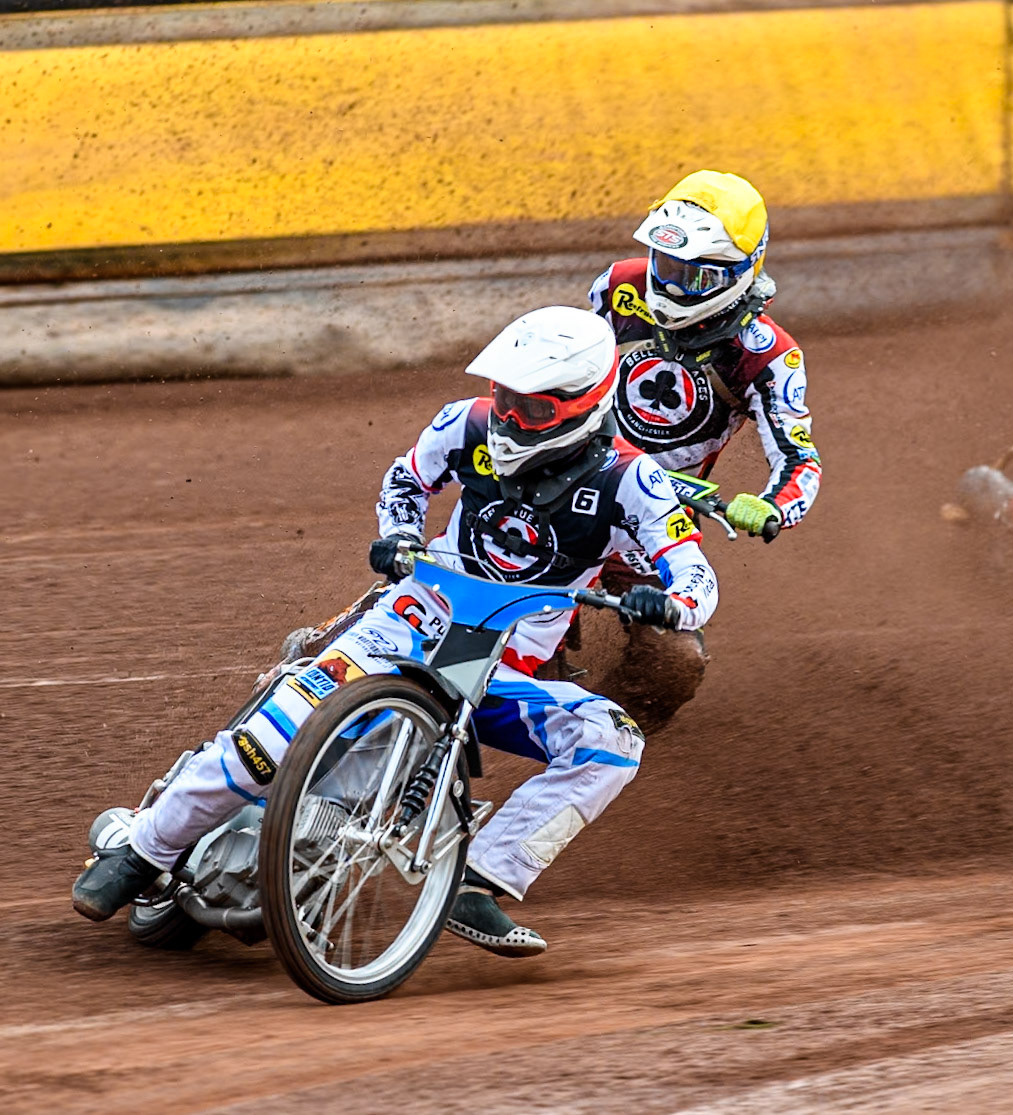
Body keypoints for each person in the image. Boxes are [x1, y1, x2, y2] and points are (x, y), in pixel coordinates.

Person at [72, 306, 719, 957]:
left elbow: (696, 575)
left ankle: (478, 879)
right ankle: (142, 851)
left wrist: (672, 606)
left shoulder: (631, 479)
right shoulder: (465, 422)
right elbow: (407, 478)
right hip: (409, 622)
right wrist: (401, 535)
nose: (508, 417)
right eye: (504, 397)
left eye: (531, 408)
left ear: (584, 405)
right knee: (266, 742)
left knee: (610, 739)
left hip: (498, 670)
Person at [583, 169, 821, 726]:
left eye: (693, 276)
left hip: (651, 515)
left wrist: (772, 507)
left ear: (739, 273)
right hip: (570, 475)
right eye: (665, 266)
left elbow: (799, 459)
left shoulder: (766, 355)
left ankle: (603, 736)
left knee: (671, 664)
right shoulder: (619, 287)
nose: (671, 285)